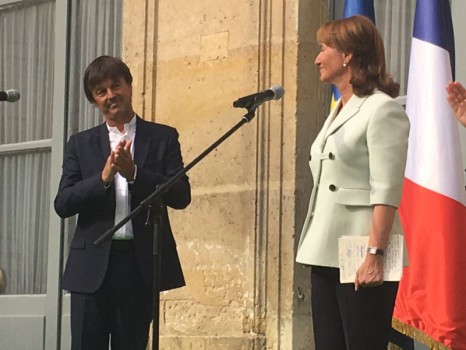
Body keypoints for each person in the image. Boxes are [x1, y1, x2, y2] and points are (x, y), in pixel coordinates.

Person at [54, 55, 191, 349]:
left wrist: (135, 174)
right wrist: (103, 177)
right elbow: (62, 203)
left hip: (137, 265)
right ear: (94, 100)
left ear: (129, 86)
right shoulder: (80, 144)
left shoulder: (163, 137)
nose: (110, 95)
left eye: (116, 86)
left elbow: (181, 195)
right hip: (90, 266)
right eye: (100, 91)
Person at [295, 16, 410, 349]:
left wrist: (375, 254)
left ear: (348, 54)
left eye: (324, 48)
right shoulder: (341, 109)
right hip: (325, 247)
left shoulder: (382, 109)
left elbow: (386, 189)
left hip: (362, 252)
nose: (317, 58)